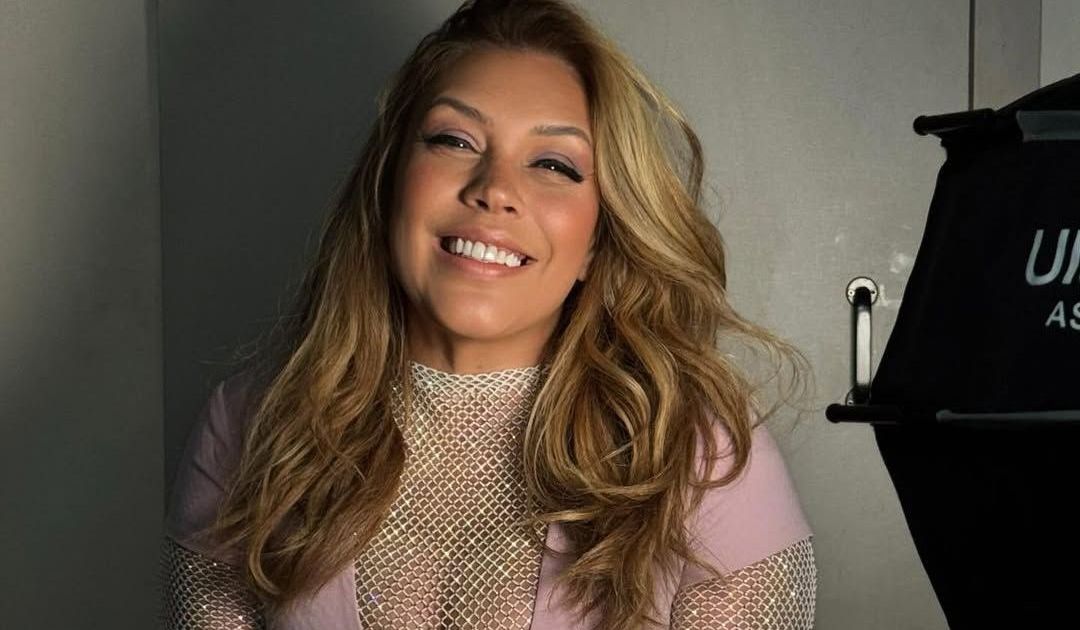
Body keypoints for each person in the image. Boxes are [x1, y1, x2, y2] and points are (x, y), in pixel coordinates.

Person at [161, 0, 817, 628]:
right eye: (454, 140)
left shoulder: (699, 459)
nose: (495, 189)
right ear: (389, 183)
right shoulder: (251, 429)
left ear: (597, 240)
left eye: (553, 164)